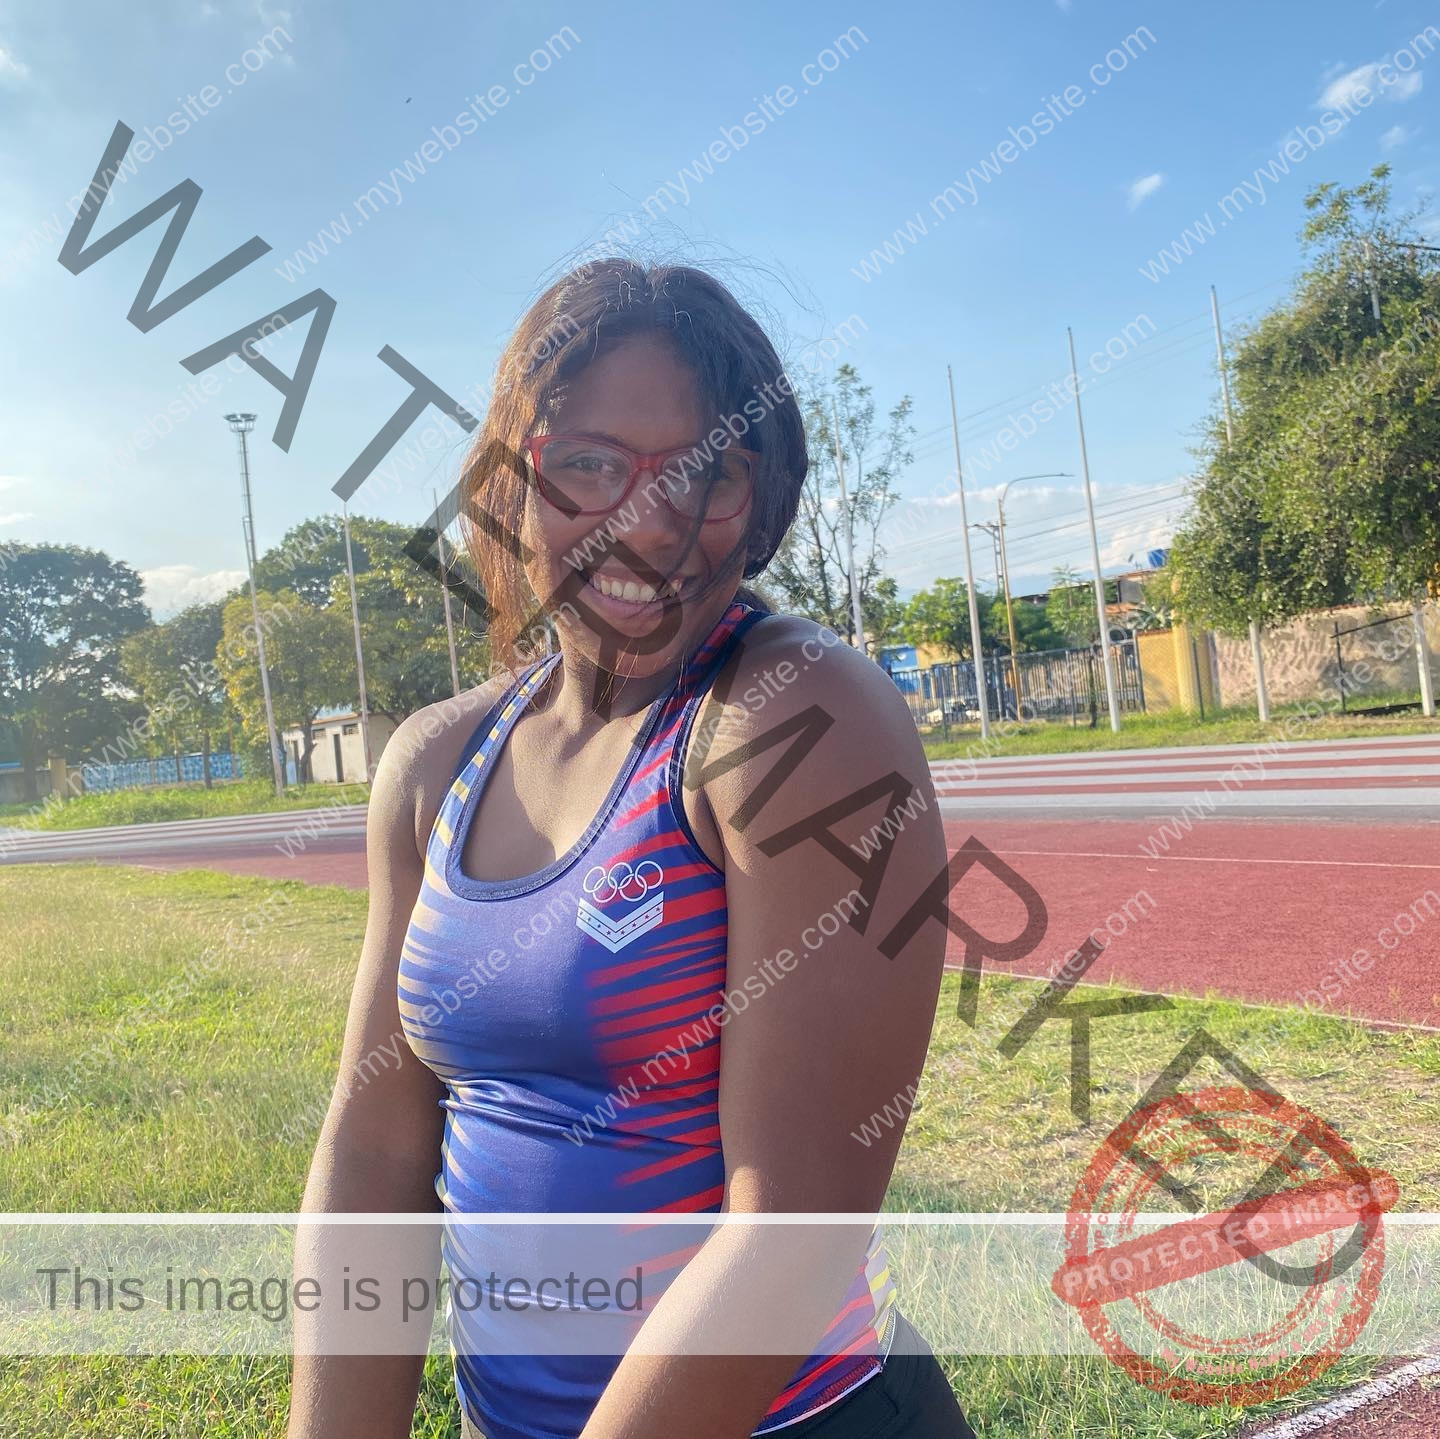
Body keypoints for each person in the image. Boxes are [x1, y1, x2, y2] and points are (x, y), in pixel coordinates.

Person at [288, 260, 972, 1438]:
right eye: (589, 465)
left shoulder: (793, 724)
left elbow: (791, 1234)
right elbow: (377, 1144)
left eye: (709, 471)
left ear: (762, 498)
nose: (648, 524)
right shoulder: (435, 763)